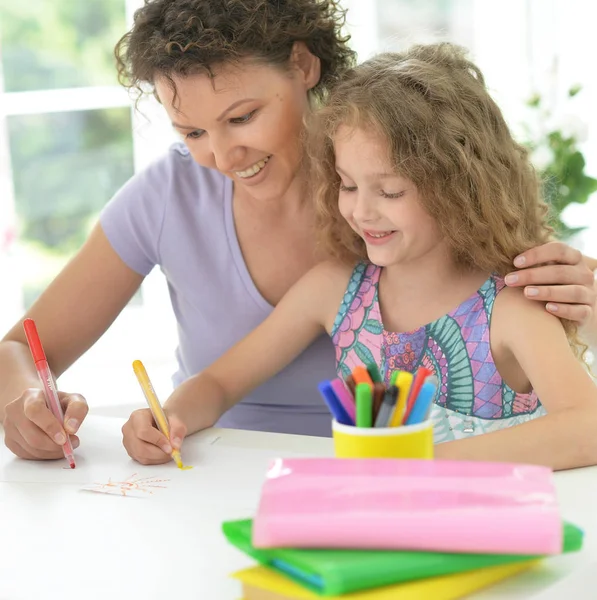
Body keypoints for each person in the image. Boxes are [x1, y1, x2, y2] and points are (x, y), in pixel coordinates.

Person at [1, 1, 595, 462]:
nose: (222, 156)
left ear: (304, 65)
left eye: (242, 117)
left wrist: (586, 313)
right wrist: (29, 409)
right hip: (240, 475)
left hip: (402, 490)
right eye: (191, 132)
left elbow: (576, 416)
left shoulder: (391, 142)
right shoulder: (320, 272)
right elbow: (24, 347)